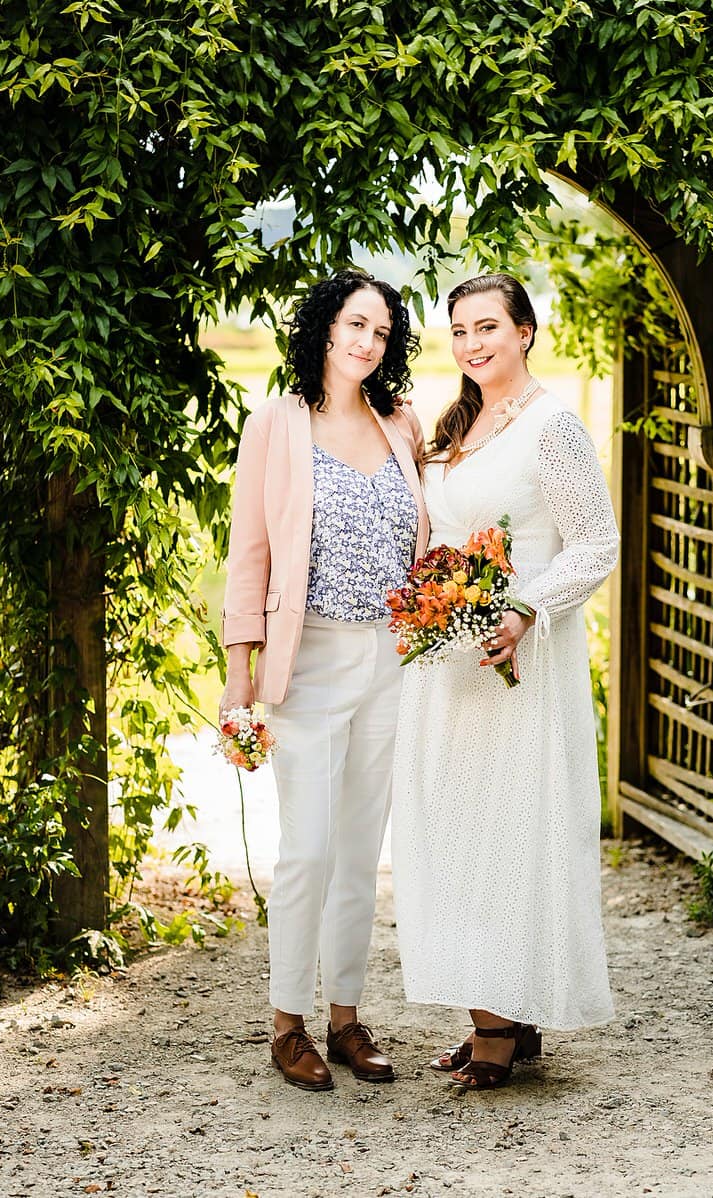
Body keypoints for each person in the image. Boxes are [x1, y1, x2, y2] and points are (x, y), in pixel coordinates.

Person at [389, 272, 619, 1091]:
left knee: (507, 832)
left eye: (488, 326)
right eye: (458, 331)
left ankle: (498, 1022)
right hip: (448, 664)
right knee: (456, 832)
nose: (472, 344)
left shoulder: (552, 428)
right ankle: (501, 1012)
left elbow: (596, 544)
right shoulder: (459, 421)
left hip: (519, 659)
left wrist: (523, 608)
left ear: (524, 330)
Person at [221, 269, 428, 1091]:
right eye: (354, 324)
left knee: (356, 848)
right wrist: (240, 671)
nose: (366, 342)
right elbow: (250, 555)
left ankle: (345, 1017)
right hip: (304, 662)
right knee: (305, 847)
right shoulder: (275, 423)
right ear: (325, 328)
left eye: (381, 332)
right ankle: (287, 1025)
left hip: (387, 660)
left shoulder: (400, 424)